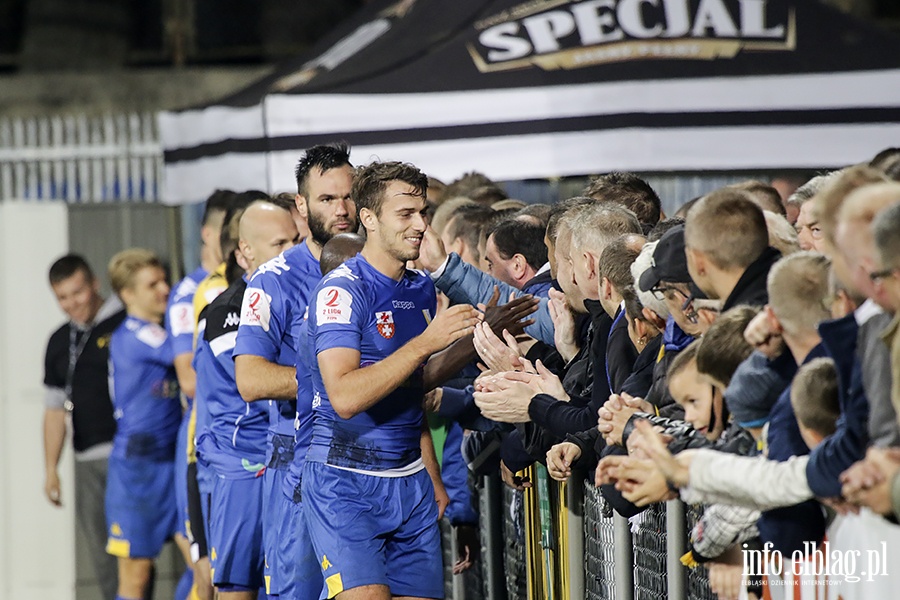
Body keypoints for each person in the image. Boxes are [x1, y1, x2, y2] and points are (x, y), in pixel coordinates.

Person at [302, 160, 482, 599]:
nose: (421, 225)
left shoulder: (419, 287)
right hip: (345, 481)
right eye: (406, 214)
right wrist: (426, 343)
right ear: (369, 219)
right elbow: (344, 396)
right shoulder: (341, 292)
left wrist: (479, 335)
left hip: (410, 481)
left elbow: (412, 386)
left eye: (422, 213)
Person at [234, 143, 358, 598]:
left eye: (348, 196)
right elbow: (249, 380)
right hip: (299, 467)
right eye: (327, 199)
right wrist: (335, 384)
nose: (342, 210)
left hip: (376, 465)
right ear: (301, 206)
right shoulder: (273, 280)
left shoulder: (388, 272)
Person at [197, 201, 299, 599]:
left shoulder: (302, 296)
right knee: (239, 588)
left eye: (295, 240)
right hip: (246, 467)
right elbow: (256, 384)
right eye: (279, 243)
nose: (291, 251)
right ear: (245, 253)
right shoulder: (227, 313)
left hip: (290, 466)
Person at [43, 254, 125, 600]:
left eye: (77, 293)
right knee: (103, 557)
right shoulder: (59, 341)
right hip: (87, 462)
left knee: (137, 552)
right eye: (62, 298)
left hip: (130, 455)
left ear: (94, 283)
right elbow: (53, 410)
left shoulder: (125, 320)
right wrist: (51, 469)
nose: (72, 304)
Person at [105, 249, 184, 600]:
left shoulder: (154, 331)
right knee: (136, 576)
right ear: (127, 295)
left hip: (173, 461)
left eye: (164, 280)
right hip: (138, 470)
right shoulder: (138, 334)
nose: (164, 289)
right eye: (152, 285)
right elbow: (181, 353)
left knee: (206, 563)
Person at [167, 189, 231, 600]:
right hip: (202, 435)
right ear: (209, 233)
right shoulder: (190, 294)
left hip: (239, 440)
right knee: (204, 568)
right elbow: (189, 381)